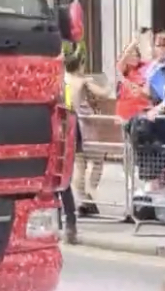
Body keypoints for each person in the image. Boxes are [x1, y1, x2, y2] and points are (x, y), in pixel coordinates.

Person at [64, 52, 111, 220]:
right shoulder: (82, 81)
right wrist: (109, 85)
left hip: (69, 122)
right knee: (98, 159)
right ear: (79, 65)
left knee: (79, 164)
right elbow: (103, 93)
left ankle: (82, 198)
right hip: (85, 125)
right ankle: (90, 191)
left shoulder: (63, 79)